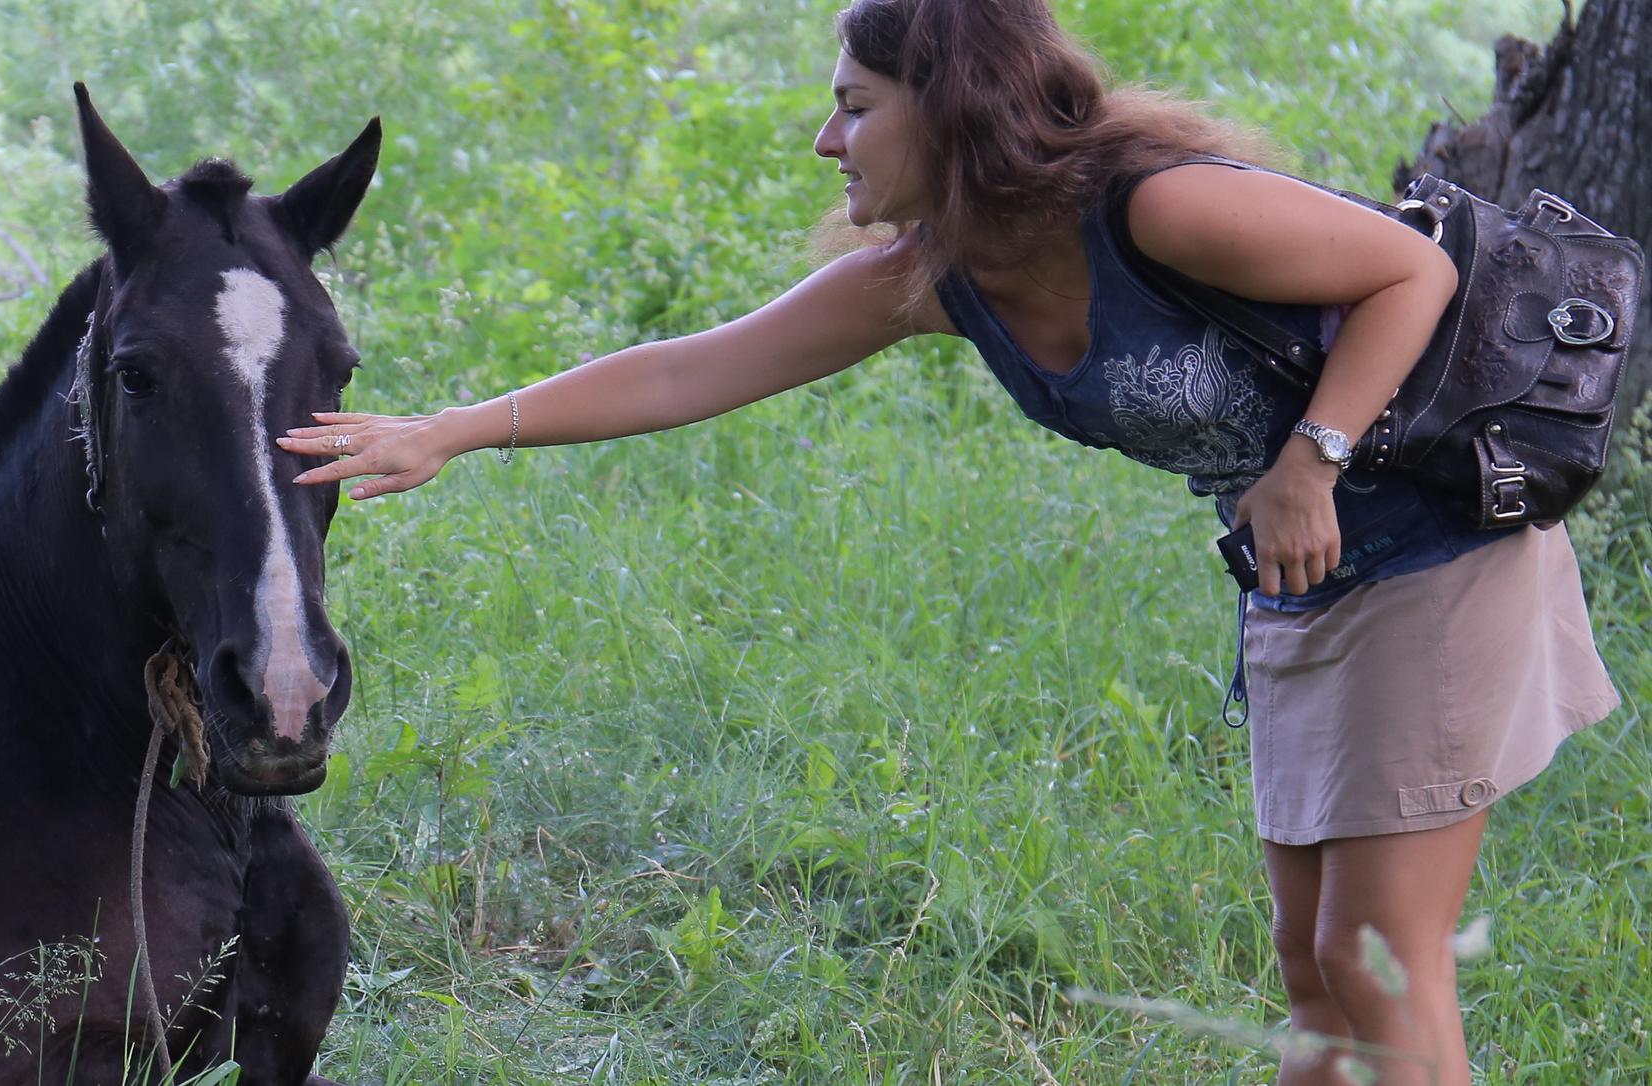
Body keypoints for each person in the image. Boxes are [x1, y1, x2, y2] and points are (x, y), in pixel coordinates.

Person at [276, 1, 1621, 1082]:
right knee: (1315, 961)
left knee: (1382, 963)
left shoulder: (1160, 209)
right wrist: (454, 427)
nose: (827, 140)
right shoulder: (938, 282)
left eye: (855, 107)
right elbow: (690, 370)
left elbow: (1415, 273)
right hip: (1302, 583)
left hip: (1434, 555)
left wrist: (1309, 457)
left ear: (954, 107)